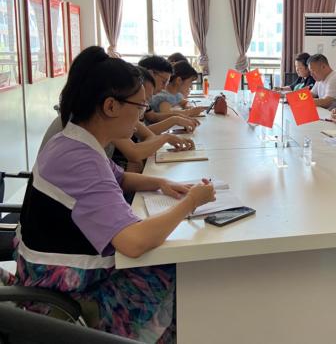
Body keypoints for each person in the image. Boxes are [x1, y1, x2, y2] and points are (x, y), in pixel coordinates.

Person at [14, 46, 216, 342]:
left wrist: (161, 184)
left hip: (54, 274)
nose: (142, 116)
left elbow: (118, 177)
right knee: (182, 272)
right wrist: (191, 202)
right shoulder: (78, 157)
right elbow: (133, 243)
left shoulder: (73, 141)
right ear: (110, 106)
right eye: (140, 106)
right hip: (66, 294)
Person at [110, 67, 196, 173]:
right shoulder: (111, 122)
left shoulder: (128, 114)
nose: (163, 87)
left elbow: (148, 135)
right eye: (141, 104)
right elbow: (135, 153)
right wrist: (165, 137)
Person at [139, 55, 203, 122]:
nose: (164, 88)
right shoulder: (140, 99)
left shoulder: (145, 99)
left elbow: (153, 117)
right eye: (163, 82)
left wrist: (178, 117)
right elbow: (159, 116)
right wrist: (187, 113)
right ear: (151, 74)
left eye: (166, 83)